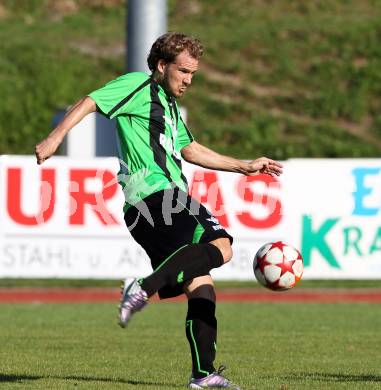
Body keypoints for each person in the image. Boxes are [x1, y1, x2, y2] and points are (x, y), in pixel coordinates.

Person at [35, 32, 283, 389]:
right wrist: (55, 137)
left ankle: (203, 375)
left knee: (201, 285)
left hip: (148, 209)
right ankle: (143, 287)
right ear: (161, 65)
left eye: (193, 74)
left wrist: (244, 166)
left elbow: (190, 150)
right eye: (183, 71)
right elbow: (91, 101)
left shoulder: (167, 104)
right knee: (223, 245)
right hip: (158, 195)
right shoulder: (137, 85)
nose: (188, 80)